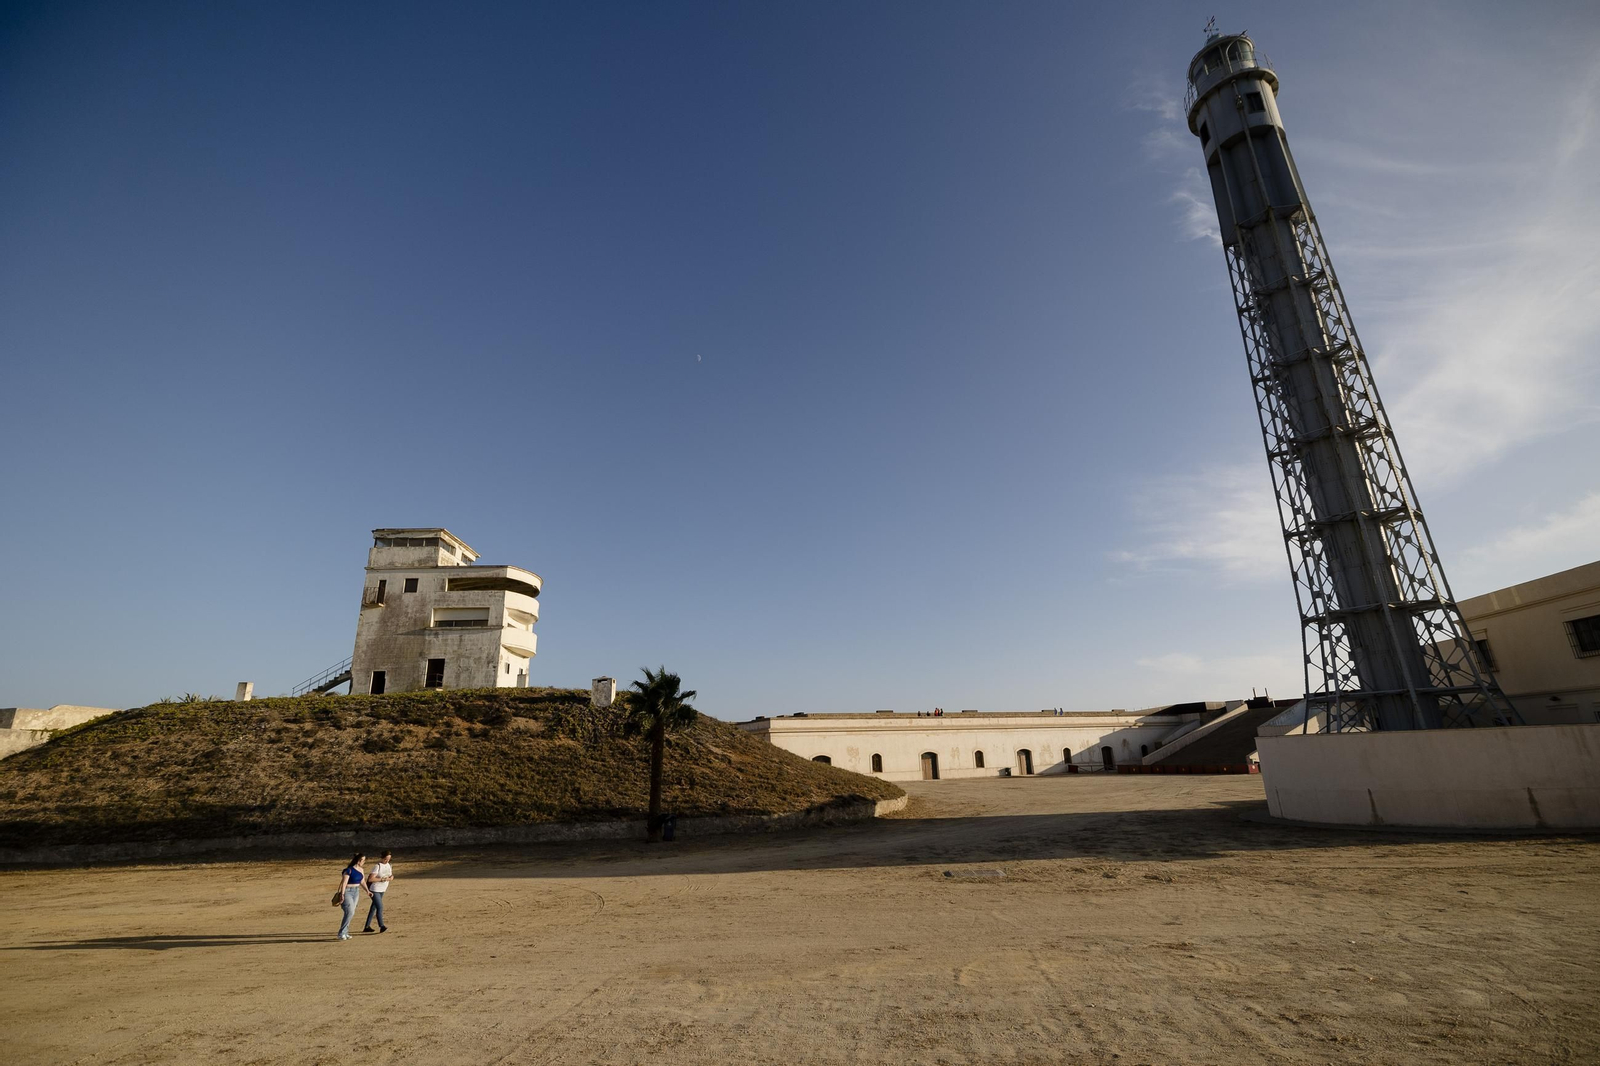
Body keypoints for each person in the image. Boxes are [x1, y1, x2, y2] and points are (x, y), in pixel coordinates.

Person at [332, 852, 369, 941]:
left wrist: (367, 891)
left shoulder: (361, 870)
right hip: (347, 892)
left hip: (356, 891)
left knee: (350, 912)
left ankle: (345, 932)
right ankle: (341, 933)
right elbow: (344, 883)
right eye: (363, 860)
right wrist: (342, 894)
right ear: (358, 860)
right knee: (350, 912)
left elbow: (362, 881)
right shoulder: (348, 870)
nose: (364, 862)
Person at [363, 850, 393, 933]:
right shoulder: (377, 866)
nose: (387, 861)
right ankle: (381, 926)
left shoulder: (389, 865)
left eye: (389, 859)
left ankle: (367, 926)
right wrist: (383, 879)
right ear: (382, 858)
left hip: (383, 889)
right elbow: (371, 879)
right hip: (375, 889)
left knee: (374, 907)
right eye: (386, 859)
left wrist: (391, 877)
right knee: (379, 907)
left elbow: (390, 874)